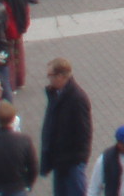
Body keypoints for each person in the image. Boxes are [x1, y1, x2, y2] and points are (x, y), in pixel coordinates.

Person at [39, 58, 92, 196]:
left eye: (50, 75)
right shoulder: (56, 94)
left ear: (61, 76)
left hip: (72, 163)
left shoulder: (77, 99)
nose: (48, 79)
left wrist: (77, 159)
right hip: (60, 161)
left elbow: (84, 133)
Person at [0, 100, 37, 196]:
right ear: (13, 119)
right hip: (17, 188)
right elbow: (33, 167)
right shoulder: (24, 140)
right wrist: (28, 184)